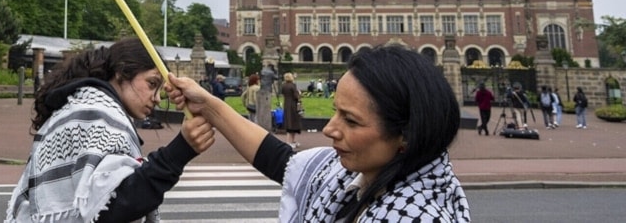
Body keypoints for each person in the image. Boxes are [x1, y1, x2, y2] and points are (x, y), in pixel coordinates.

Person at [168, 44, 471, 222]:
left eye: (350, 121)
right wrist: (208, 105)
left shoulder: (416, 216)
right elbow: (280, 160)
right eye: (335, 111)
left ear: (406, 133)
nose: (329, 129)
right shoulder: (362, 175)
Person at [5, 37, 215, 223]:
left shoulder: (81, 105)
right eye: (152, 84)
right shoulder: (97, 113)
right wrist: (180, 151)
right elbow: (113, 204)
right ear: (122, 72)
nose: (158, 98)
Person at [281, 72, 302, 148]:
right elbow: (296, 96)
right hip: (293, 105)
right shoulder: (293, 86)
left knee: (288, 121)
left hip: (286, 104)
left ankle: (290, 141)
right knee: (294, 122)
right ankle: (290, 141)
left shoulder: (283, 86)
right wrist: (299, 93)